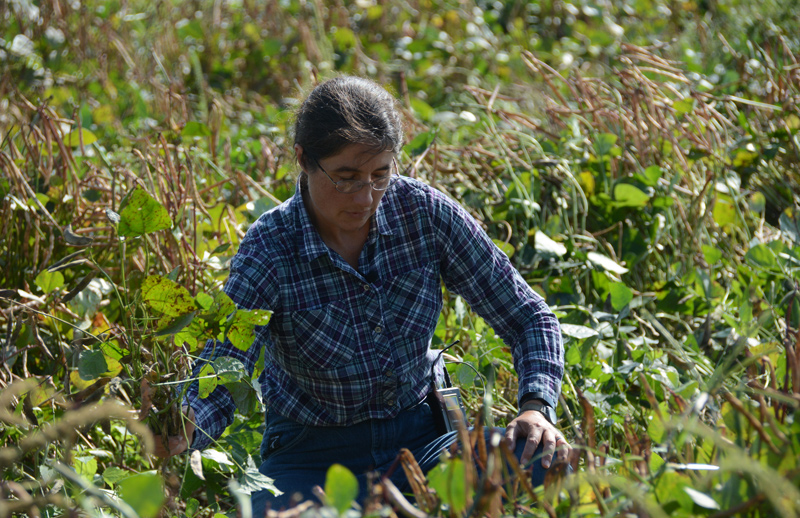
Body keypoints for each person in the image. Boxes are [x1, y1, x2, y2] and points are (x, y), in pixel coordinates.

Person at [154, 76, 570, 513]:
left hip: (424, 443)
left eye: (380, 175)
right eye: (346, 177)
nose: (366, 196)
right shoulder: (270, 249)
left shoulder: (424, 213)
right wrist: (186, 426)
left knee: (537, 460)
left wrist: (536, 407)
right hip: (310, 456)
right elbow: (223, 367)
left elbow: (527, 316)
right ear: (303, 160)